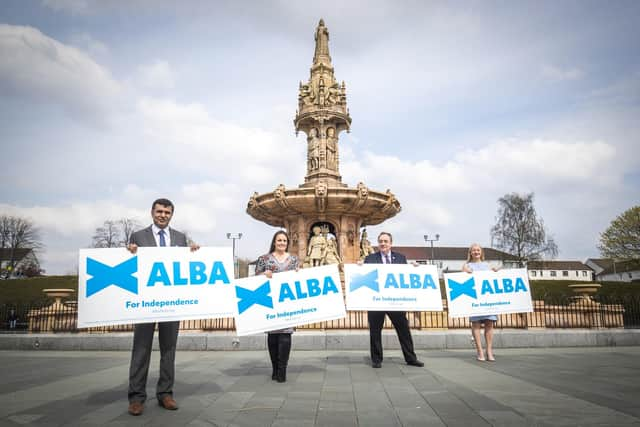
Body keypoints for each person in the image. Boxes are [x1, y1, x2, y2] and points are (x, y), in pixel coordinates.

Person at [126, 198, 199, 416]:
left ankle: (165, 393)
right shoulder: (138, 236)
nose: (163, 215)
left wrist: (193, 252)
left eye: (167, 212)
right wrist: (129, 250)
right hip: (146, 302)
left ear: (171, 215)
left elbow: (184, 267)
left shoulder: (179, 237)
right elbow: (130, 264)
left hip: (171, 303)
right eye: (159, 211)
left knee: (169, 350)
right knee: (141, 349)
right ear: (152, 212)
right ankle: (137, 397)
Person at [363, 232, 424, 369]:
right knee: (375, 331)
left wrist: (414, 268)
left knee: (404, 329)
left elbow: (406, 276)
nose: (383, 244)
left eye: (385, 241)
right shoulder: (370, 258)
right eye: (380, 241)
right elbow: (363, 274)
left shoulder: (400, 258)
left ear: (391, 243)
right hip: (376, 301)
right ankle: (377, 359)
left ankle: (411, 358)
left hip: (395, 301)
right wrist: (359, 266)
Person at [255, 230, 300, 383]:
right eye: (279, 240)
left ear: (287, 243)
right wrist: (263, 275)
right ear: (274, 242)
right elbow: (255, 278)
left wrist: (299, 273)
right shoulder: (264, 259)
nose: (282, 243)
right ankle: (275, 368)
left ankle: (282, 370)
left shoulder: (294, 259)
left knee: (285, 336)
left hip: (287, 302)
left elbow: (298, 278)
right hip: (270, 302)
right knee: (273, 337)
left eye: (284, 241)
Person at [462, 243, 499, 362]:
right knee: (476, 324)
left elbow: (495, 278)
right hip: (475, 300)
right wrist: (465, 272)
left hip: (488, 300)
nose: (476, 252)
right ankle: (479, 351)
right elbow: (462, 277)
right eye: (474, 250)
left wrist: (496, 271)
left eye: (478, 250)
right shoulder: (467, 265)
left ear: (481, 252)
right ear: (470, 253)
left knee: (489, 324)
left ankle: (489, 350)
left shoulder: (487, 265)